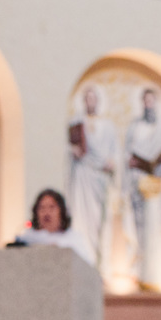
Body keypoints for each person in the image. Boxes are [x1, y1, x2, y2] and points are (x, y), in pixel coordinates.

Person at [123, 88, 161, 290]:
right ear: (142, 103)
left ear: (157, 104)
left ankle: (158, 273)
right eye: (146, 102)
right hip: (139, 184)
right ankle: (139, 272)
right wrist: (130, 162)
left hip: (160, 184)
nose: (149, 105)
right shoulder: (135, 128)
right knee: (140, 229)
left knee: (159, 228)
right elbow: (125, 155)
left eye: (152, 101)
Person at [66, 85, 118, 275]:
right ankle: (84, 262)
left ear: (98, 100)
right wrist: (73, 152)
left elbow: (115, 153)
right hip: (83, 176)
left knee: (100, 223)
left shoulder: (108, 126)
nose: (90, 101)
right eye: (87, 98)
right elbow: (70, 149)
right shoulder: (76, 123)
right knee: (82, 219)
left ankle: (100, 265)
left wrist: (112, 163)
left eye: (93, 98)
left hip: (101, 178)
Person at [11, 189, 96, 267]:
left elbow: (87, 267)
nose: (46, 213)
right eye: (42, 208)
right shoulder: (28, 238)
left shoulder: (74, 238)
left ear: (61, 211)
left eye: (51, 207)